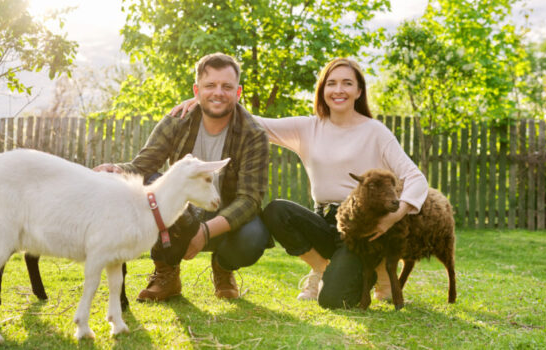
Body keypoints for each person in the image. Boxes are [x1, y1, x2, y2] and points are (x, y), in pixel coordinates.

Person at [171, 58, 428, 308]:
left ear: (359, 90)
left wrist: (395, 216)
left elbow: (415, 177)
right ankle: (321, 268)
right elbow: (255, 123)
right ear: (323, 89)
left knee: (333, 301)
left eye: (347, 84)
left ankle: (372, 269)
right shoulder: (308, 127)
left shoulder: (376, 131)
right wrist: (209, 101)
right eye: (332, 83)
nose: (339, 90)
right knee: (276, 211)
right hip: (324, 220)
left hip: (360, 229)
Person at [94, 53, 271, 301]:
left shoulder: (253, 134)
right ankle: (166, 272)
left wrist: (205, 232)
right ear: (197, 90)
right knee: (149, 185)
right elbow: (144, 166)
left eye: (226, 87)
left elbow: (250, 199)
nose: (218, 92)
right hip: (182, 211)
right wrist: (115, 169)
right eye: (210, 86)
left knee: (254, 236)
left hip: (222, 211)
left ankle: (223, 268)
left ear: (238, 92)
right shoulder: (177, 120)